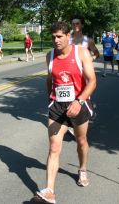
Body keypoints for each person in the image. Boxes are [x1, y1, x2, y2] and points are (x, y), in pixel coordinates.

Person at [36, 21, 96, 204]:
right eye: (53, 37)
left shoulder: (81, 53)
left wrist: (79, 101)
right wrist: (50, 99)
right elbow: (49, 79)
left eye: (59, 36)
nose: (56, 40)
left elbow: (92, 81)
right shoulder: (50, 56)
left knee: (81, 141)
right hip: (57, 107)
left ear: (68, 35)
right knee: (54, 147)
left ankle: (82, 168)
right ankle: (49, 191)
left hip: (79, 105)